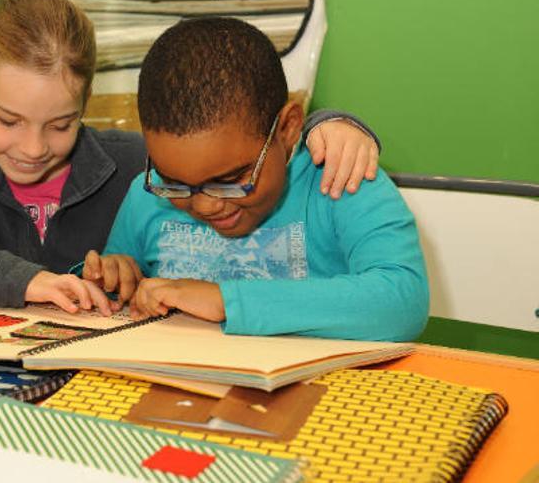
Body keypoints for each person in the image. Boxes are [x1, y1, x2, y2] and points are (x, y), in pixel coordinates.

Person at [0, 0, 384, 316]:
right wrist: (20, 281)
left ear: (86, 104)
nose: (33, 149)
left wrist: (329, 125)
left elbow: (225, 149)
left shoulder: (135, 167)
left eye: (61, 124)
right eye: (8, 121)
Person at [84, 17, 428, 341]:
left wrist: (225, 300)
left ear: (288, 128)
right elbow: (121, 289)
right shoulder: (147, 195)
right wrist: (115, 276)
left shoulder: (341, 178)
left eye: (233, 178)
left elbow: (402, 302)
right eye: (174, 181)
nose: (205, 204)